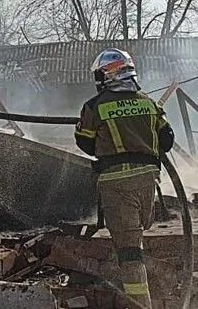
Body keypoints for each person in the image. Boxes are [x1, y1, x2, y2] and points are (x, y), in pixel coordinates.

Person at [75, 48, 175, 308]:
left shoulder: (95, 106)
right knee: (136, 237)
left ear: (108, 75)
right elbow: (167, 140)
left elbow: (85, 143)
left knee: (129, 252)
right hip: (148, 181)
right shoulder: (148, 103)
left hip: (117, 184)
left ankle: (141, 303)